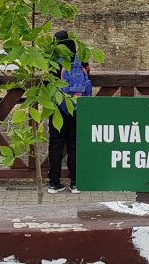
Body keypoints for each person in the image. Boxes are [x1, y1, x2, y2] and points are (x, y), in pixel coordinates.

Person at [47, 30, 92, 194]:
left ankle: (54, 182)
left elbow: (48, 80)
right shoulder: (79, 57)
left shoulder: (53, 58)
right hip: (76, 105)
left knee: (56, 144)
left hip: (57, 106)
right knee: (74, 144)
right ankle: (75, 182)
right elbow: (88, 75)